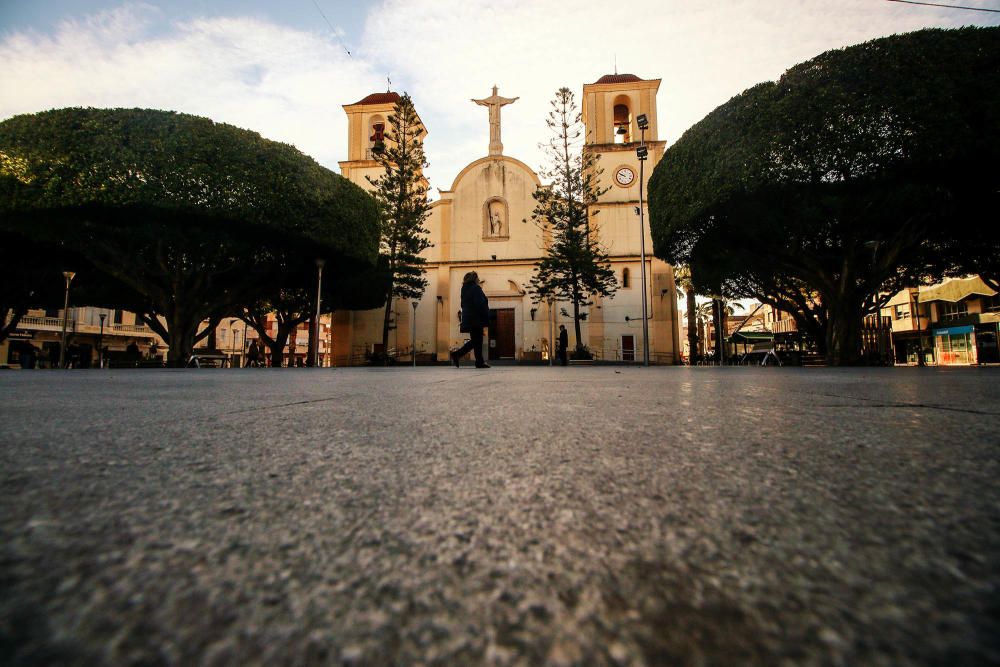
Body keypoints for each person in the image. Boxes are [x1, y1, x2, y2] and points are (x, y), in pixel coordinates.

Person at [451, 271, 490, 368]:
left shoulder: (464, 289)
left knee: (476, 340)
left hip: (469, 318)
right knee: (477, 340)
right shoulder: (476, 288)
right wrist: (485, 314)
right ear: (475, 279)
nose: (479, 280)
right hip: (476, 318)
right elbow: (480, 304)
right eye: (478, 278)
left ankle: (477, 361)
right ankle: (459, 355)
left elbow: (463, 304)